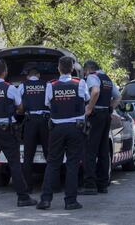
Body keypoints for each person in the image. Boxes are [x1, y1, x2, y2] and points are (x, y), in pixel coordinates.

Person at [0, 60, 37, 208]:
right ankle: (22, 197)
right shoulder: (9, 89)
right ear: (5, 72)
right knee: (15, 164)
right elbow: (20, 107)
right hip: (7, 130)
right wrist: (17, 113)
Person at [36, 56, 90, 210]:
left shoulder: (51, 85)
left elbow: (47, 103)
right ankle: (70, 201)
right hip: (75, 128)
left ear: (58, 69)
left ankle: (45, 199)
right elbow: (86, 99)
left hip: (57, 129)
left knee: (52, 163)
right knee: (72, 163)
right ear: (72, 69)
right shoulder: (80, 83)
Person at [79, 60, 121, 195]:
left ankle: (90, 185)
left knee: (90, 150)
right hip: (105, 116)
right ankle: (103, 184)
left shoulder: (92, 77)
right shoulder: (107, 79)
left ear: (87, 70)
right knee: (103, 150)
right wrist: (110, 108)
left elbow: (95, 91)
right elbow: (118, 96)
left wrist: (89, 108)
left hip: (95, 116)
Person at [18, 68, 49, 193]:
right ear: (39, 75)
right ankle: (51, 185)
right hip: (44, 121)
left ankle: (28, 186)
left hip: (30, 121)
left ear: (28, 76)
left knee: (28, 155)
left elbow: (18, 103)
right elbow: (50, 101)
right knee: (49, 153)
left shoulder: (22, 86)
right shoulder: (46, 85)